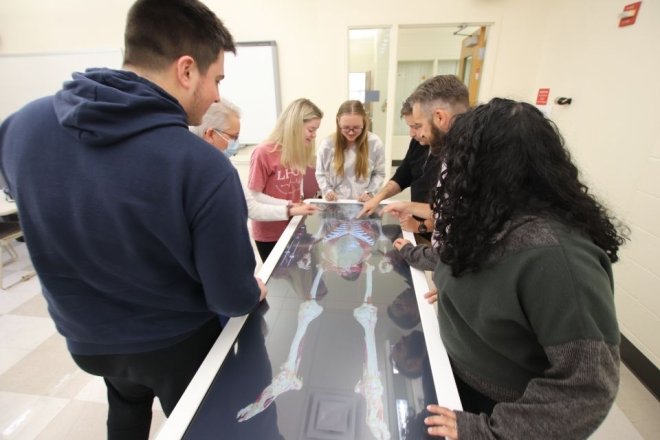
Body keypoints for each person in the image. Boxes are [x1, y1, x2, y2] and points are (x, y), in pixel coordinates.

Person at [0, 1, 267, 439]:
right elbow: (230, 298)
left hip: (87, 340)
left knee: (124, 402)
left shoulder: (21, 127)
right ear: (186, 70)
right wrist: (248, 291)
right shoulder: (202, 167)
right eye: (216, 78)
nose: (218, 95)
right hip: (173, 345)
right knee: (199, 421)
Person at [384, 98, 627, 439]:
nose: (449, 174)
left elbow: (588, 386)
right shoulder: (486, 218)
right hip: (447, 369)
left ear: (484, 168)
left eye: (457, 162)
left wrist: (486, 431)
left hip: (496, 407)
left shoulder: (558, 257)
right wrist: (412, 254)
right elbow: (455, 262)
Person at [191, 101, 318, 221]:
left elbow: (250, 206)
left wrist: (291, 207)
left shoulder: (226, 165)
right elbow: (254, 201)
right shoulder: (192, 170)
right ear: (210, 134)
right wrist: (290, 208)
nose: (236, 143)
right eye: (233, 137)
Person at [247, 98, 323, 262]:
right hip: (269, 233)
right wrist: (288, 206)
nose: (314, 134)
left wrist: (297, 203)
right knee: (278, 280)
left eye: (316, 130)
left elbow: (295, 186)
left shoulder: (298, 150)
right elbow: (255, 196)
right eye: (311, 129)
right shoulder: (263, 152)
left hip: (293, 226)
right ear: (295, 125)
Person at [357, 97, 441, 242]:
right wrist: (377, 198)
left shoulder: (450, 155)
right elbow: (402, 176)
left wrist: (419, 225)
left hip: (434, 233)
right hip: (415, 228)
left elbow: (448, 212)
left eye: (416, 126)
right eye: (410, 127)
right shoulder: (418, 143)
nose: (412, 133)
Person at [316, 100, 385, 202]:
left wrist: (370, 192)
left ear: (364, 122)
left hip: (363, 204)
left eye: (356, 127)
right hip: (335, 205)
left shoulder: (375, 143)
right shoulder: (327, 145)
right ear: (338, 121)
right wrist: (327, 191)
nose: (351, 132)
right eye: (346, 127)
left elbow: (379, 173)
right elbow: (320, 174)